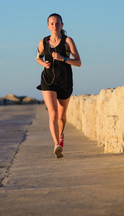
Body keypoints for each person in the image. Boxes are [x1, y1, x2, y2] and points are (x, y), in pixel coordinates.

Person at [36, 13, 81, 158]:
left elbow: (78, 62)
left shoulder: (68, 41)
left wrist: (63, 58)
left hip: (65, 81)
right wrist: (43, 63)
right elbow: (37, 57)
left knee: (61, 117)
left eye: (57, 23)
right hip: (48, 81)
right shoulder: (43, 42)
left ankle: (61, 136)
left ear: (62, 25)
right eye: (52, 23)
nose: (54, 26)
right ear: (48, 26)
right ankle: (56, 145)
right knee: (53, 113)